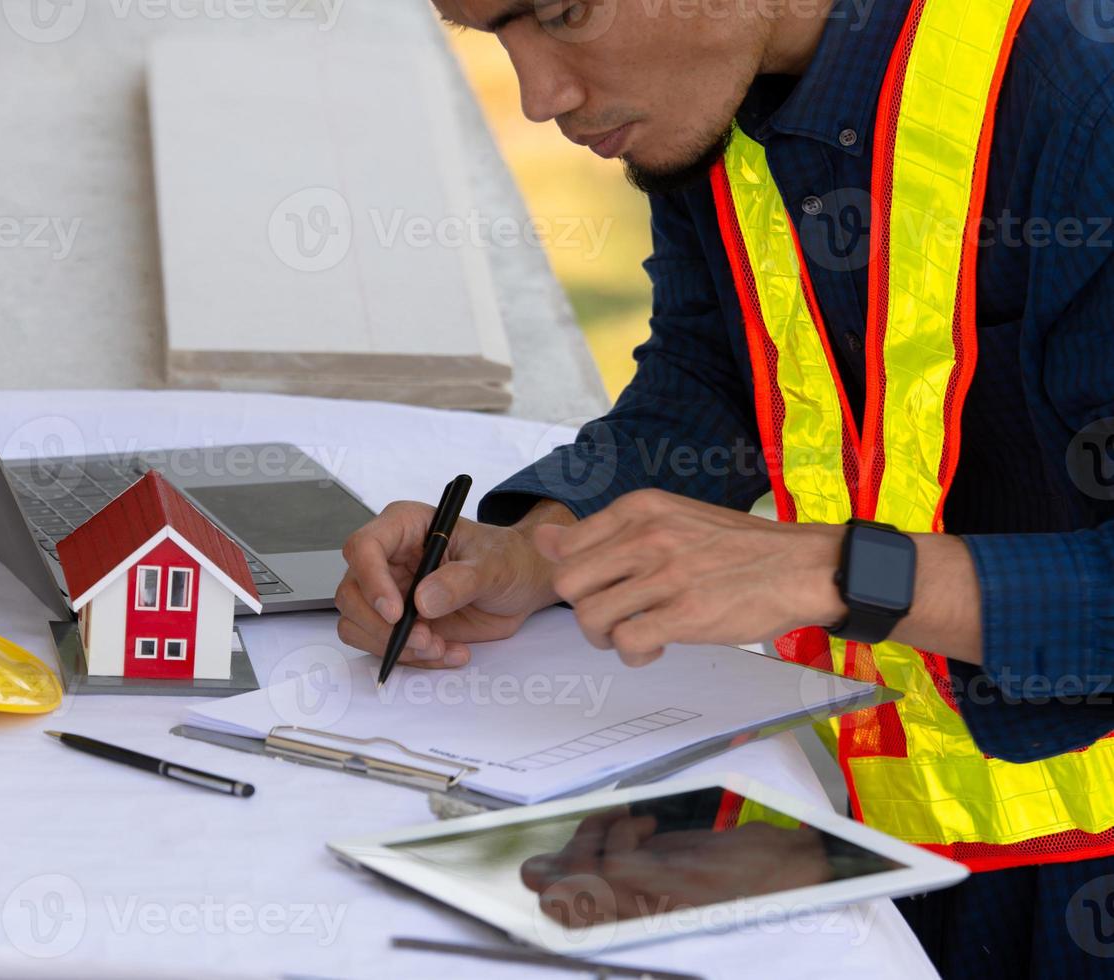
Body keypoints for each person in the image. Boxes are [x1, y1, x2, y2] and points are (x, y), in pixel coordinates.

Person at [335, 0, 1114, 975]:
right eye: (492, 33)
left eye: (564, 14)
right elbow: (719, 371)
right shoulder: (709, 96)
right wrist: (539, 546)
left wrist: (836, 569)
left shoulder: (1087, 88)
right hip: (863, 829)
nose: (539, 96)